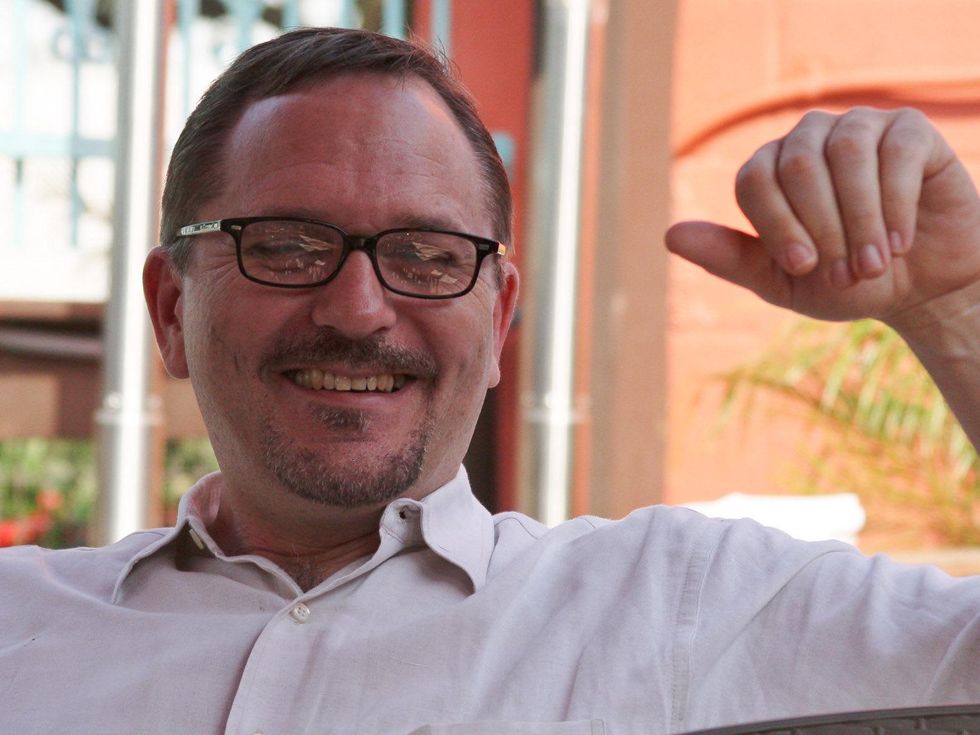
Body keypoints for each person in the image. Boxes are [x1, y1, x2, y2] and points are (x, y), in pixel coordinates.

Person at [1, 27, 978, 735]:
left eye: (426, 256)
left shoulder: (687, 607)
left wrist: (953, 305)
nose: (357, 310)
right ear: (172, 308)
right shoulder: (20, 623)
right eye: (287, 246)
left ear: (500, 317)